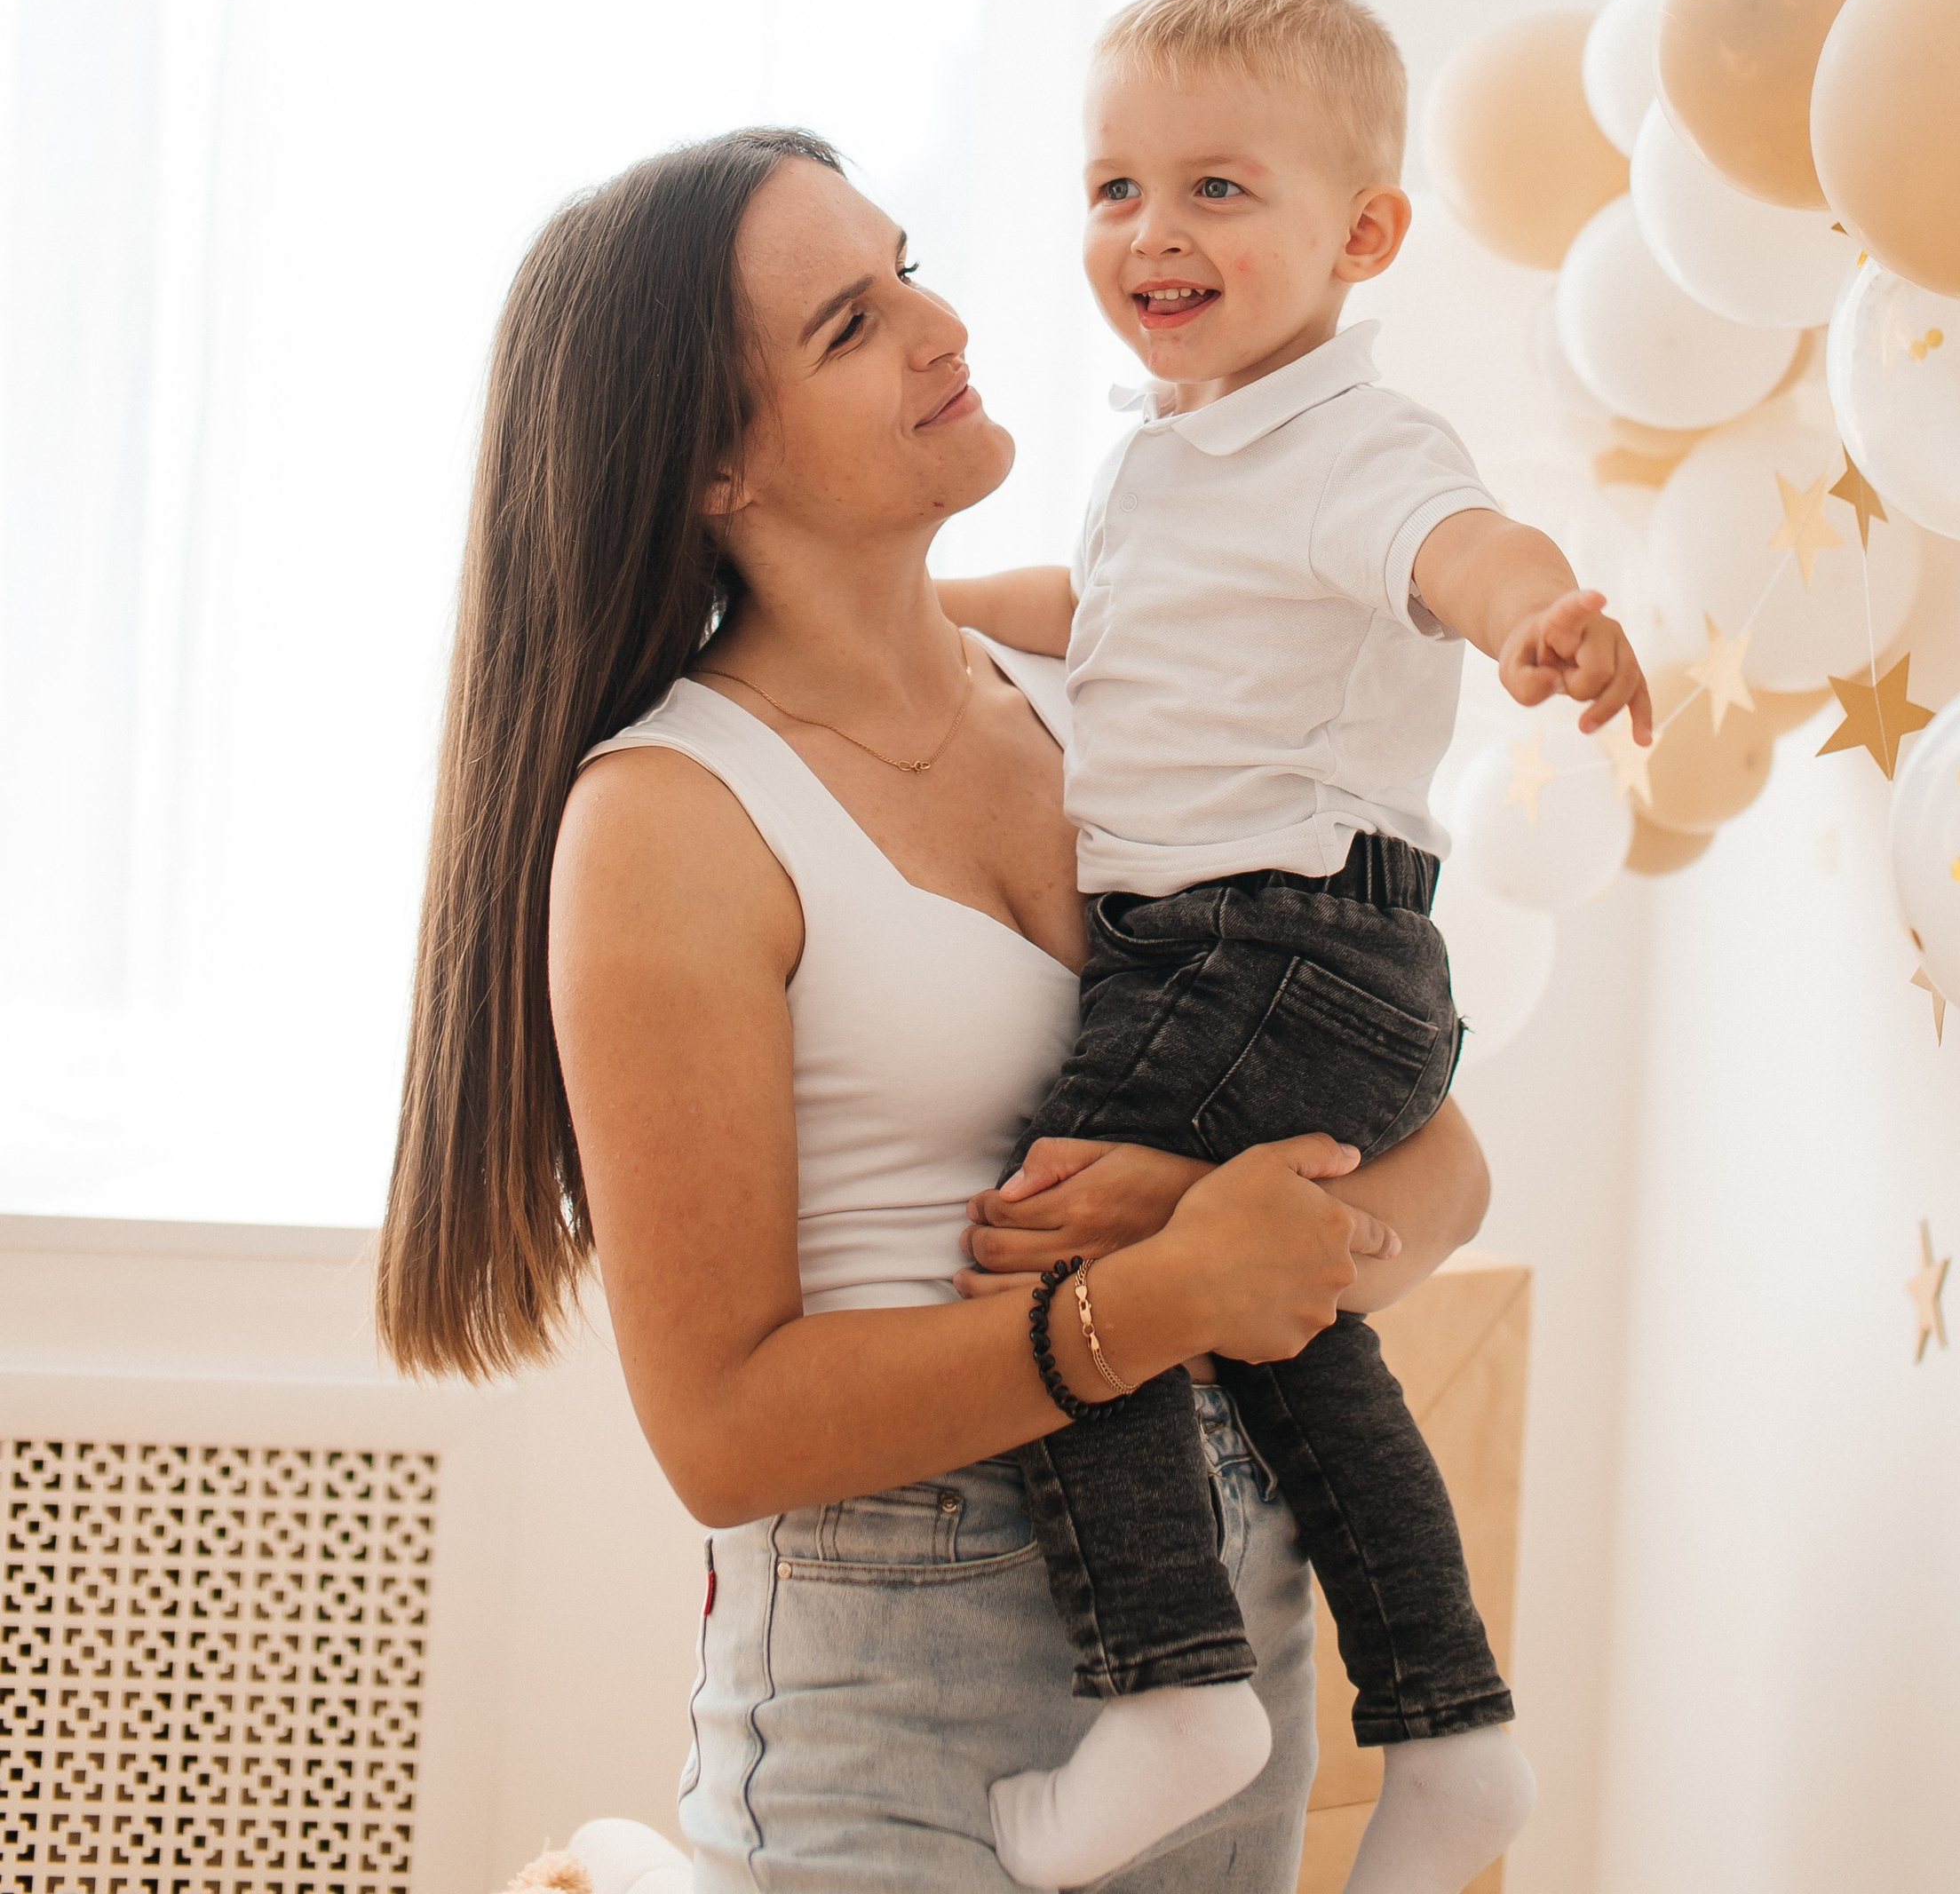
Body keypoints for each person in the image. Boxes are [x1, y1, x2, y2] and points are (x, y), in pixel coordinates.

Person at [375, 123, 1491, 1890]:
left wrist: (1270, 1240)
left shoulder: (1098, 690)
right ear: (711, 469)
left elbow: (1435, 1156)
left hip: (1229, 1642)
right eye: (847, 324)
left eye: (904, 262)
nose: (939, 321)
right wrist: (1156, 1294)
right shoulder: (671, 817)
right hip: (902, 1702)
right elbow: (723, 1430)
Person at [943, 0, 1653, 1894]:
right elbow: (1103, 610)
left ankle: (1169, 1684)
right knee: (1282, 1327)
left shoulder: (1347, 442)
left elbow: (1451, 545)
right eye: (1111, 188)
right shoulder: (1171, 447)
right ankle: (1449, 1731)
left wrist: (1531, 615)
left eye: (1215, 190)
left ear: (1363, 233)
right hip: (1258, 957)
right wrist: (927, 609)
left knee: (1052, 1243)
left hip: (1277, 947)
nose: (1150, 232)